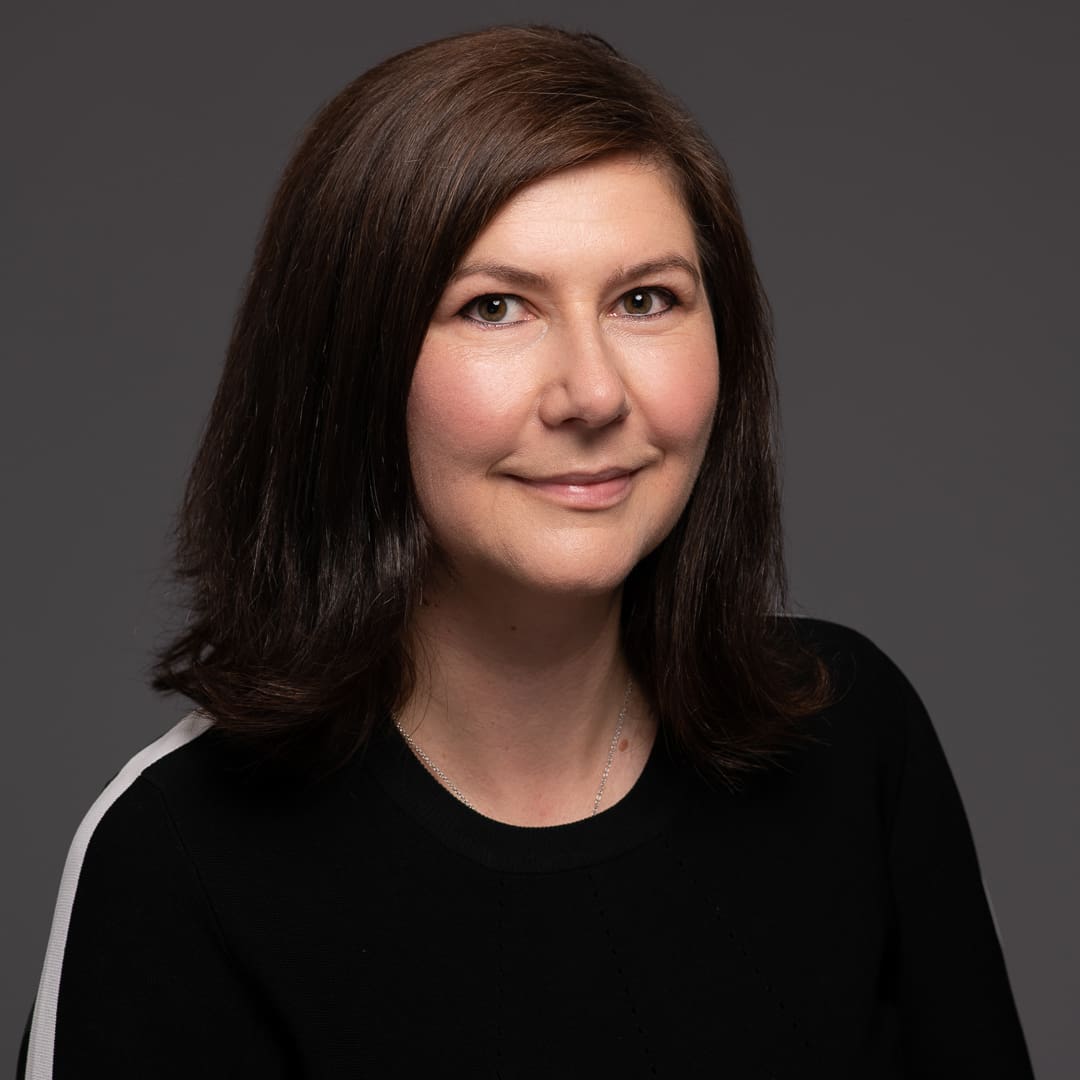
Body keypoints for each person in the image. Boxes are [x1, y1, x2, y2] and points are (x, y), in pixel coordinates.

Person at [20, 24, 1033, 1079]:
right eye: (495, 307)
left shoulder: (851, 738)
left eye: (647, 301)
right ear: (349, 363)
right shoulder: (177, 856)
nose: (593, 393)